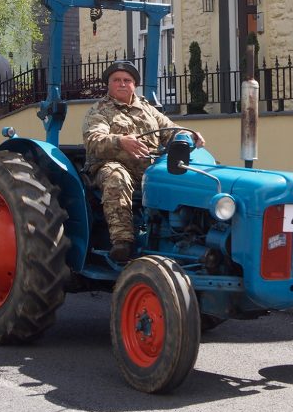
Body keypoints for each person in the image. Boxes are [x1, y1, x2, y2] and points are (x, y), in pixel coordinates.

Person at [82, 60, 205, 262]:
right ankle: (123, 243)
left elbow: (170, 130)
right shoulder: (98, 111)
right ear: (108, 84)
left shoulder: (148, 109)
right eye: (116, 80)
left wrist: (189, 135)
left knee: (189, 176)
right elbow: (94, 140)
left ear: (134, 85)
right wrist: (120, 141)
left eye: (127, 80)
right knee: (116, 176)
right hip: (111, 165)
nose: (122, 84)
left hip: (149, 169)